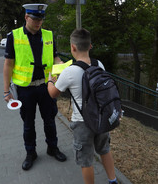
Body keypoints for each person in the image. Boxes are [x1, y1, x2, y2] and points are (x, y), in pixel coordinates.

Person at [47, 28, 118, 184]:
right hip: (102, 118)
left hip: (82, 122)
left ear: (73, 47)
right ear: (90, 46)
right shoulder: (99, 64)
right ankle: (113, 180)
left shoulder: (69, 72)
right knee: (104, 150)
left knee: (85, 159)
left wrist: (50, 80)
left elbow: (53, 93)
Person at [3, 3, 67, 171]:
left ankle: (52, 148)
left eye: (41, 19)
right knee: (28, 123)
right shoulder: (14, 36)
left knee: (50, 120)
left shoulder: (48, 35)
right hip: (26, 89)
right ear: (26, 17)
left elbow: (55, 57)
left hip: (46, 86)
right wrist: (5, 91)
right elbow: (8, 64)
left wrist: (61, 65)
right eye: (35, 19)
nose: (38, 22)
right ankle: (30, 153)